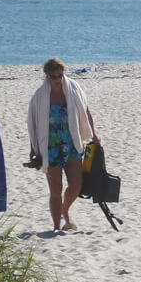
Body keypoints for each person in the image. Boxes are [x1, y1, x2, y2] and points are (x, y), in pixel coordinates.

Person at [27, 58, 100, 232]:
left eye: (60, 75)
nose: (58, 79)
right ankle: (56, 226)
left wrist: (93, 135)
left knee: (76, 185)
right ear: (47, 76)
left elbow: (85, 111)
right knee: (55, 189)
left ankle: (65, 212)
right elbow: (33, 123)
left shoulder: (74, 89)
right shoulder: (40, 96)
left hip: (72, 144)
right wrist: (33, 149)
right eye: (54, 77)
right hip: (50, 148)